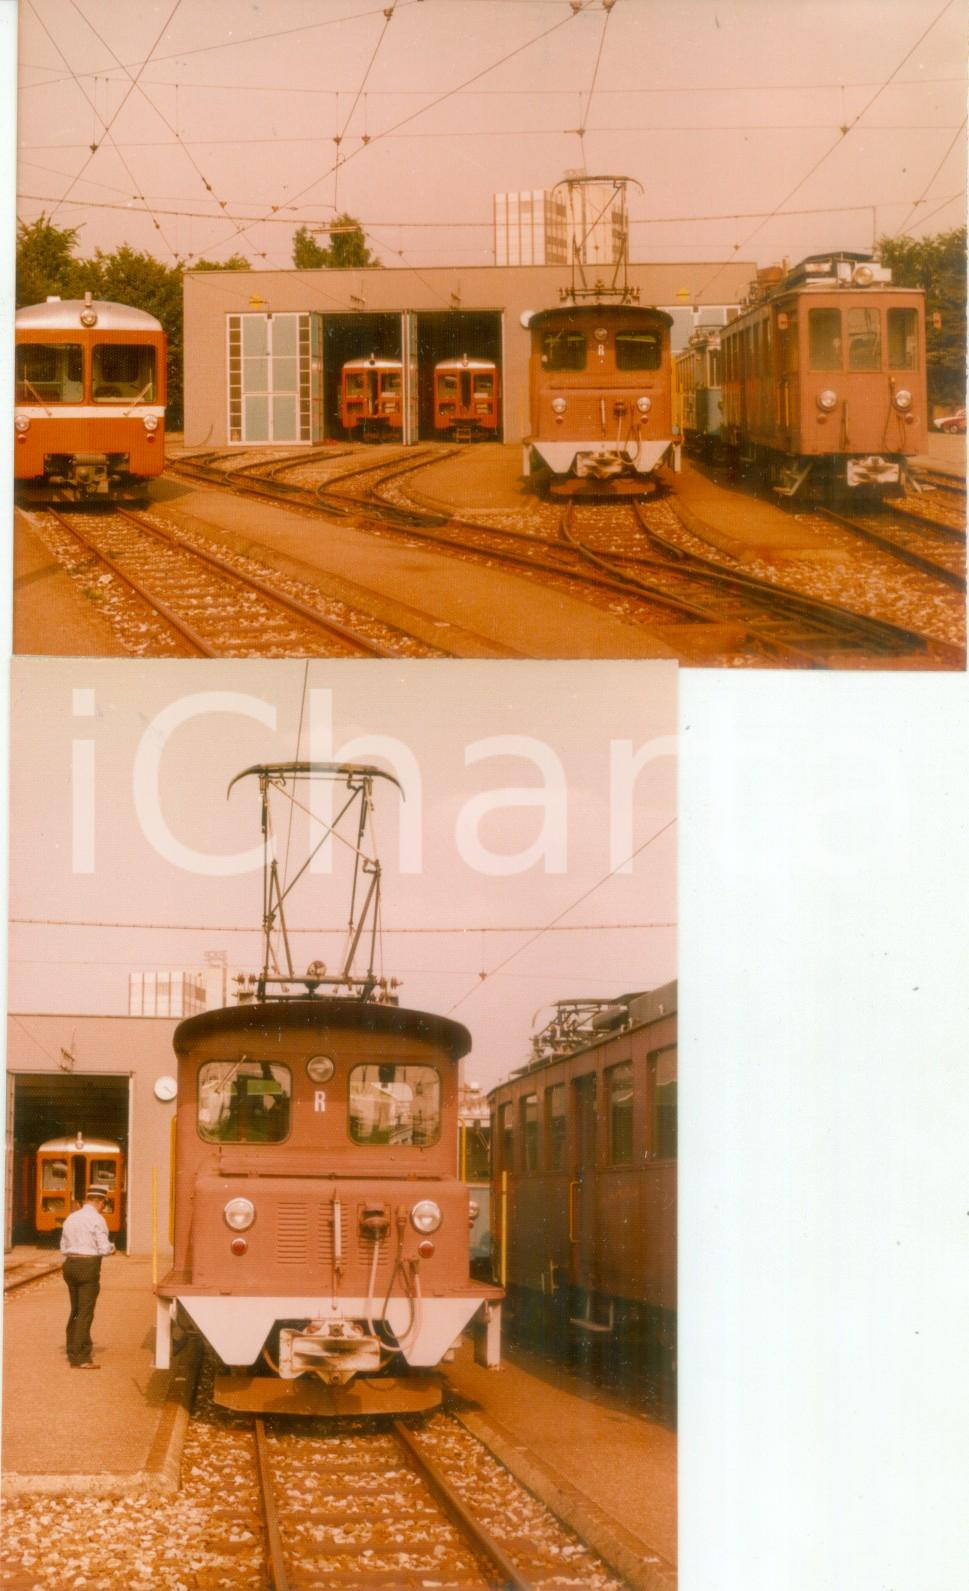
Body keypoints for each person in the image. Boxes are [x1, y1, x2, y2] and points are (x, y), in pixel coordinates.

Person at [60, 1186, 115, 1369]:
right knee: (85, 1312)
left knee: (75, 1310)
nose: (103, 1208)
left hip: (70, 1265)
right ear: (99, 1201)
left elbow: (63, 1245)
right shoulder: (97, 1219)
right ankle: (81, 1358)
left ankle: (71, 1350)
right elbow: (104, 1248)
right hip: (88, 1266)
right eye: (104, 1204)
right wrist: (112, 1248)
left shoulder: (71, 1217)